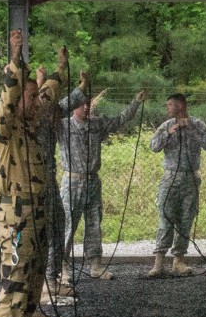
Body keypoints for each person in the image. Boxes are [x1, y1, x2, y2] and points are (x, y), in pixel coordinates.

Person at [0, 29, 52, 317]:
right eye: (31, 97)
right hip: (15, 222)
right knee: (12, 288)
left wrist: (55, 73)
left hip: (37, 220)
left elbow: (50, 98)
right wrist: (16, 60)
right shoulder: (2, 131)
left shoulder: (31, 130)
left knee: (32, 285)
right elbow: (9, 101)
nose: (37, 103)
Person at [57, 84, 146, 280]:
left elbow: (121, 120)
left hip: (92, 182)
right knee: (68, 225)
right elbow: (54, 110)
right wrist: (76, 92)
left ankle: (95, 264)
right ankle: (61, 266)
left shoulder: (96, 124)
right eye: (81, 104)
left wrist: (136, 102)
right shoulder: (63, 125)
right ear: (74, 106)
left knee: (94, 223)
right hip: (72, 181)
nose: (86, 108)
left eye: (88, 104)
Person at [33, 52, 87, 298]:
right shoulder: (34, 116)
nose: (59, 114)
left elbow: (62, 104)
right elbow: (53, 103)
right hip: (35, 184)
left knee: (57, 226)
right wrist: (60, 69)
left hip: (49, 180)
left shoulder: (47, 113)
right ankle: (43, 284)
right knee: (44, 233)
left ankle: (51, 280)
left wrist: (82, 87)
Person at [149, 93, 206, 277]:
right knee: (165, 219)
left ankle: (179, 260)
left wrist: (191, 129)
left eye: (170, 105)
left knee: (186, 220)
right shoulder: (167, 126)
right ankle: (159, 263)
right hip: (170, 179)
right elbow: (153, 146)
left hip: (190, 179)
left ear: (180, 106)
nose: (168, 108)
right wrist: (169, 133)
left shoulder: (197, 124)